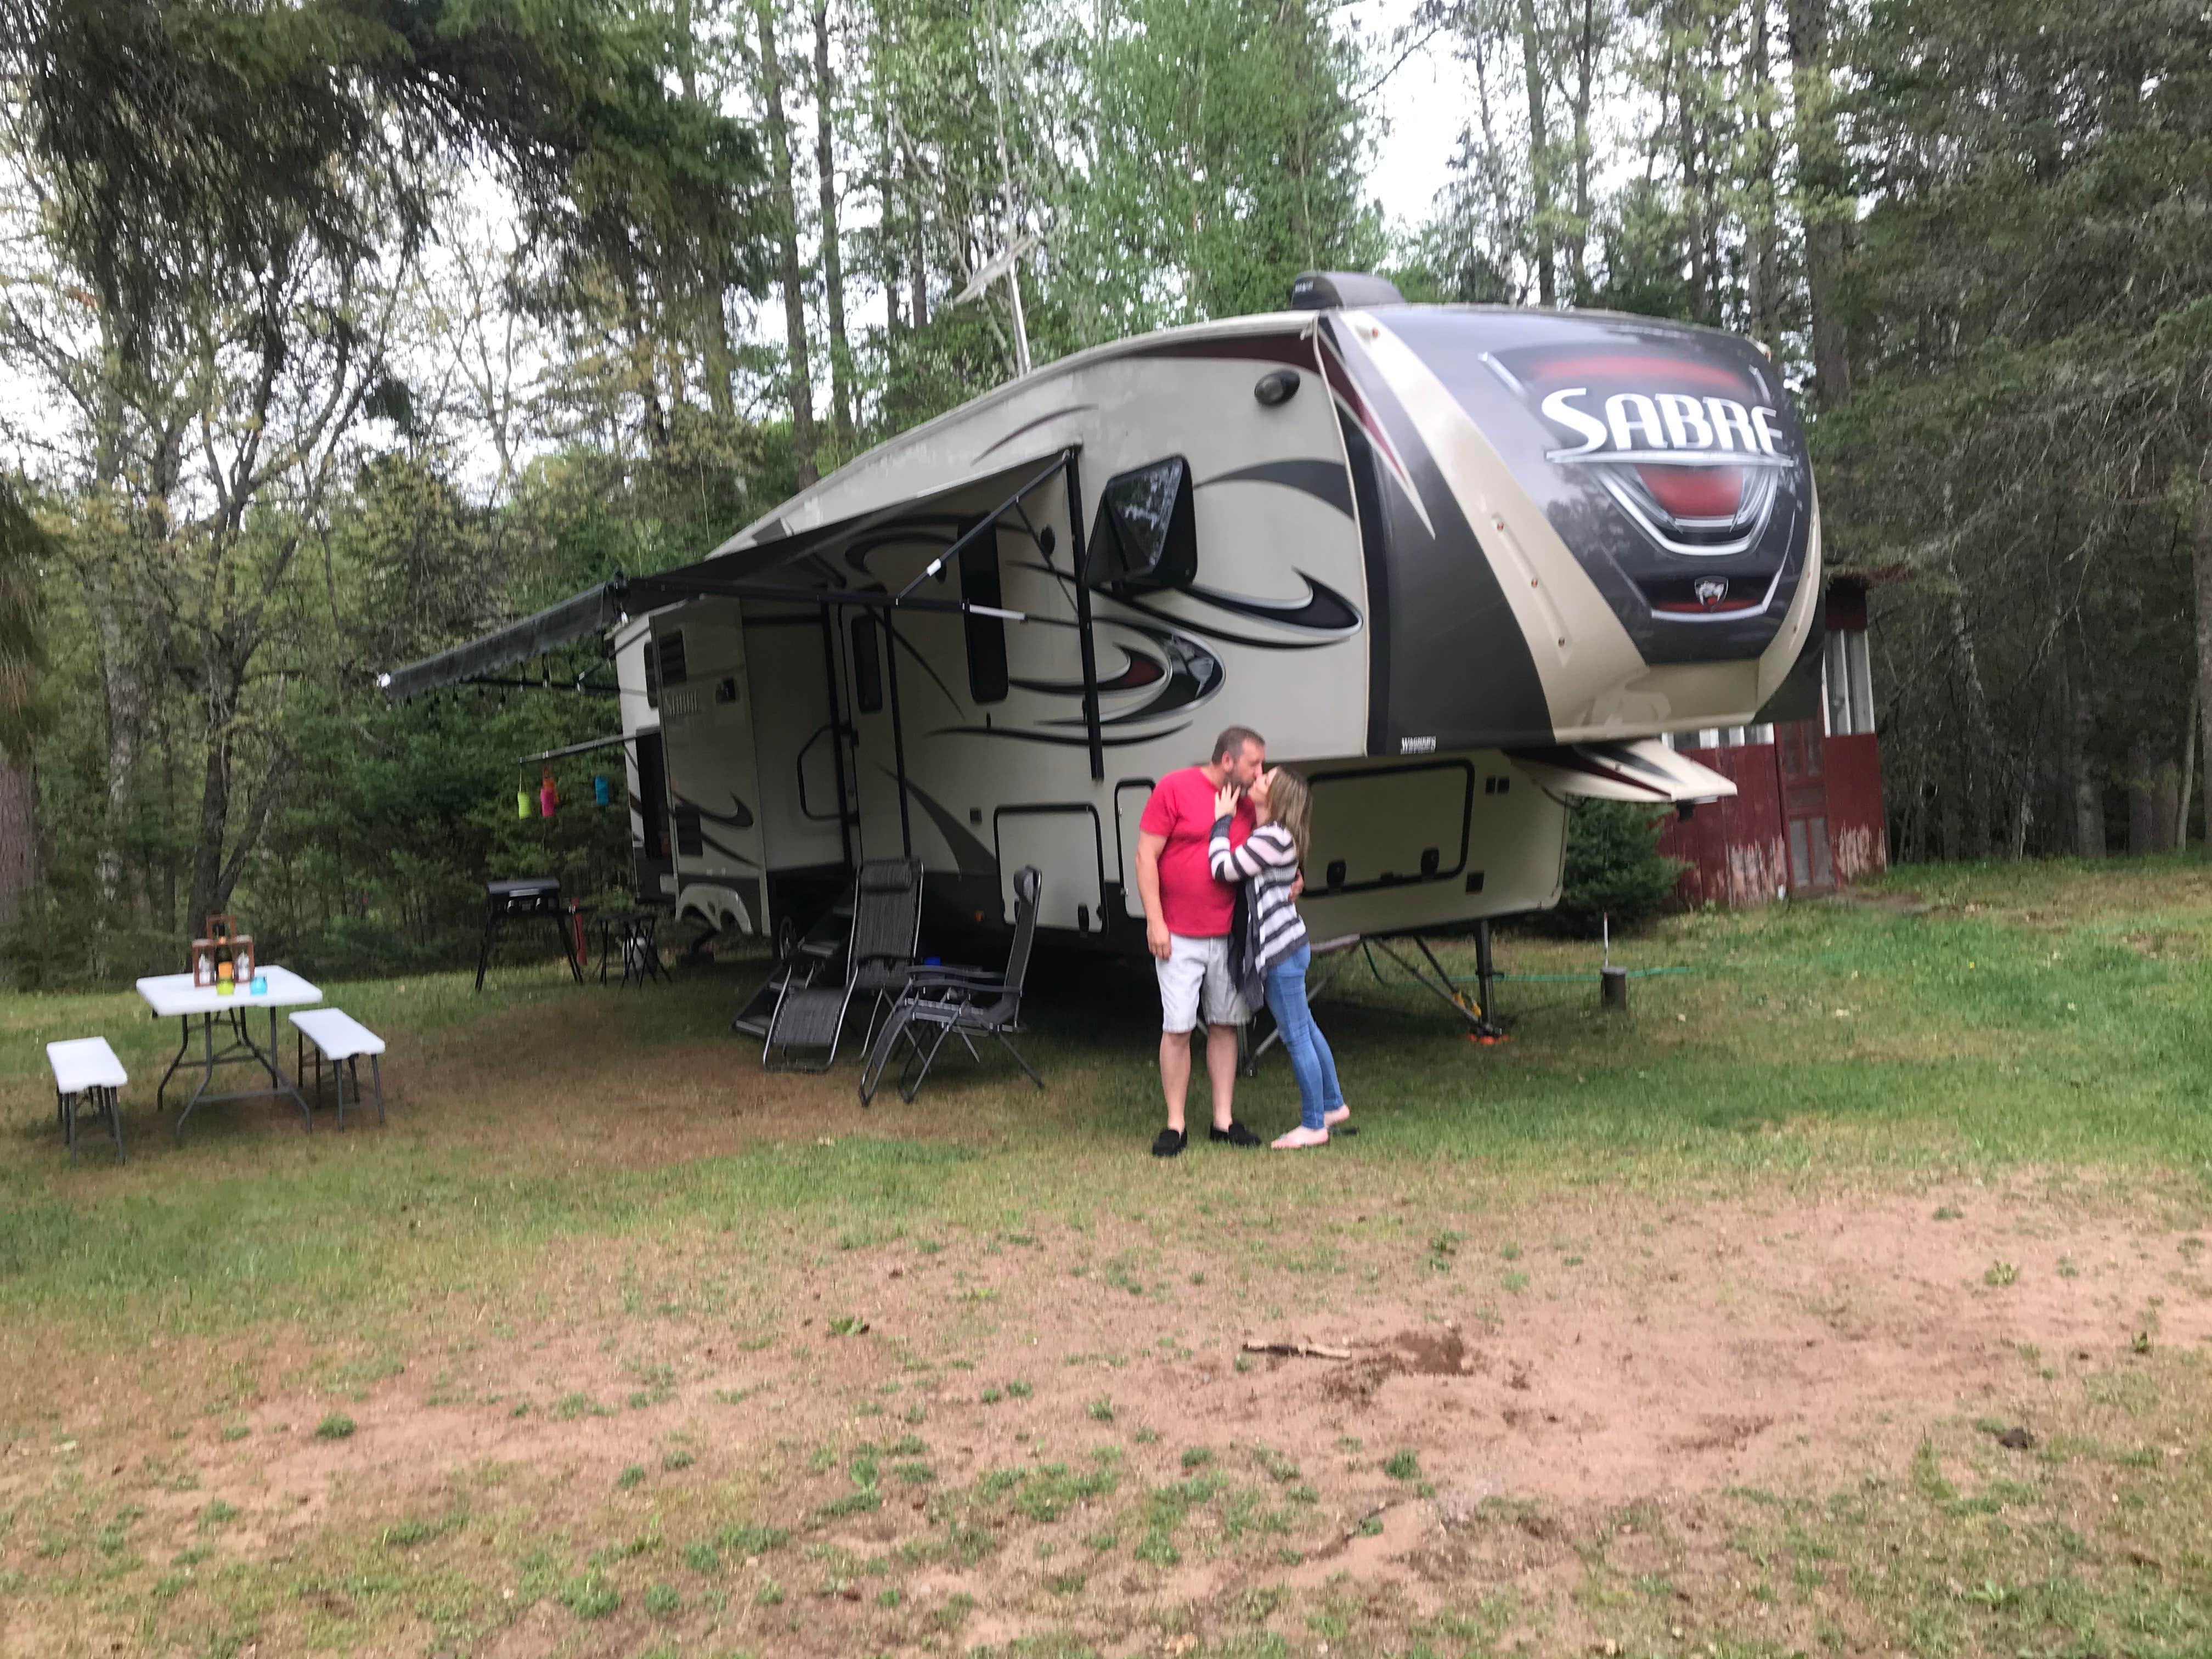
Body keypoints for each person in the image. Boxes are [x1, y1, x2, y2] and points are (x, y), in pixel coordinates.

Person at [1135, 726, 1267, 1156]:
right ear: (1227, 761)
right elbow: (1145, 856)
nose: (1259, 773)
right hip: (1178, 935)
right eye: (1254, 765)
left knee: (1226, 1025)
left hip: (1229, 935)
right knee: (1178, 1028)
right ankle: (1175, 1125)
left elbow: (1266, 852)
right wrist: (1155, 921)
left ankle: (1223, 1120)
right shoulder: (1175, 788)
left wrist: (1294, 875)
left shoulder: (1250, 804)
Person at [1209, 766, 1347, 1149]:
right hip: (1292, 945)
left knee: (1296, 1036)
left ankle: (1313, 1124)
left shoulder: (1272, 838)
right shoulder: (1279, 836)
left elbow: (1223, 868)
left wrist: (1221, 822)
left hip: (1281, 952)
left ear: (1277, 799)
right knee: (1307, 1028)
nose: (1257, 779)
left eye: (1265, 780)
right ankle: (1333, 1105)